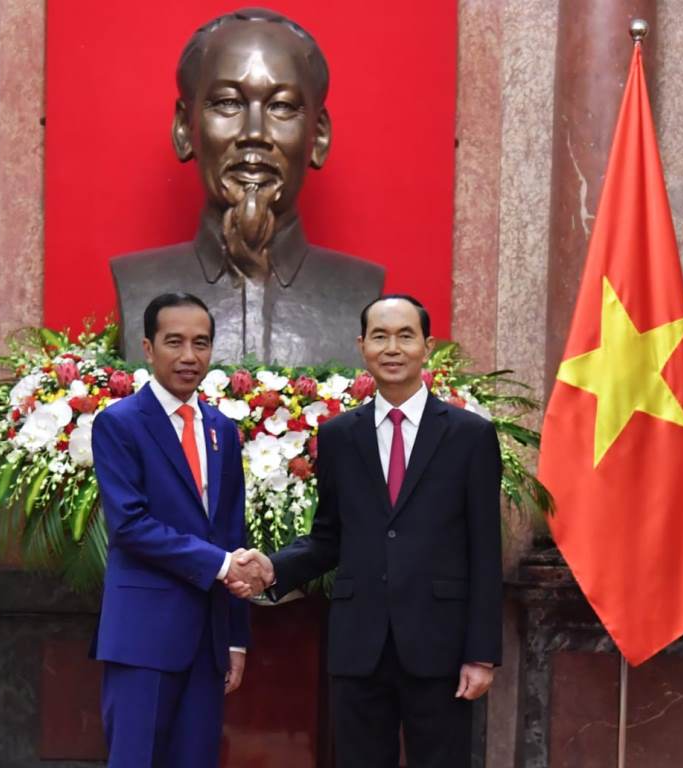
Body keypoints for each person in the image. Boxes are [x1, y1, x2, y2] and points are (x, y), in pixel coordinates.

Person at [234, 295, 503, 768]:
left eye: (405, 336)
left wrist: (481, 654)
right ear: (362, 346)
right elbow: (329, 537)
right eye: (380, 336)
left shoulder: (469, 436)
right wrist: (273, 568)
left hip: (439, 645)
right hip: (359, 645)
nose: (392, 348)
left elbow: (485, 550)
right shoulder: (339, 436)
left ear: (427, 346)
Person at [111, 8, 384, 366]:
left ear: (318, 136)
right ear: (184, 129)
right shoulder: (137, 284)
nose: (254, 133)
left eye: (282, 107)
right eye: (228, 103)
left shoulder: (361, 291)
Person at [90, 292, 261, 768]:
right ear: (148, 348)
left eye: (200, 343)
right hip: (142, 637)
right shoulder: (119, 424)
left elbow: (232, 531)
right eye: (175, 342)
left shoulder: (222, 429)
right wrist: (222, 565)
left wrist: (235, 638)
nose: (189, 356)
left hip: (208, 642)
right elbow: (130, 525)